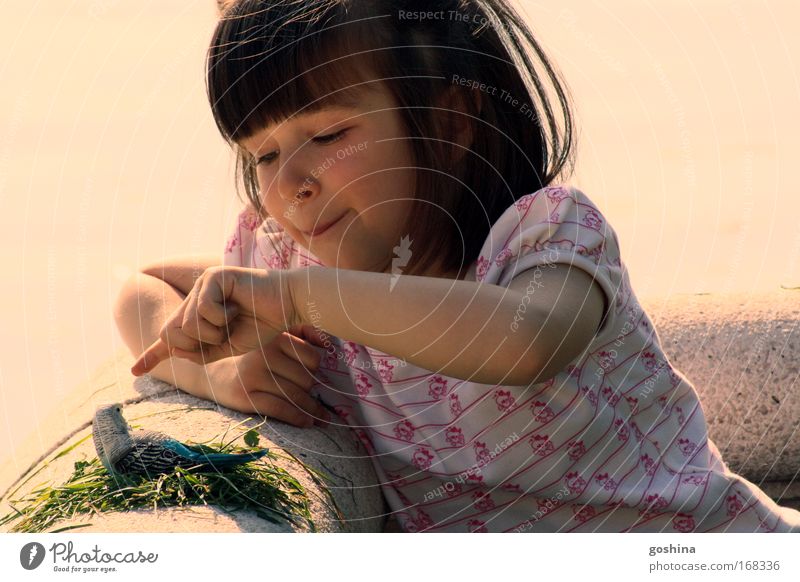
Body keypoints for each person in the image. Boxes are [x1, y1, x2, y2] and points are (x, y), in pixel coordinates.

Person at [119, 0, 800, 532]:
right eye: (263, 155)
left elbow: (526, 341)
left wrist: (300, 300)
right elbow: (139, 290)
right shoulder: (289, 257)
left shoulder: (546, 237)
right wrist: (220, 373)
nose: (290, 181)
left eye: (328, 136)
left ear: (452, 122)